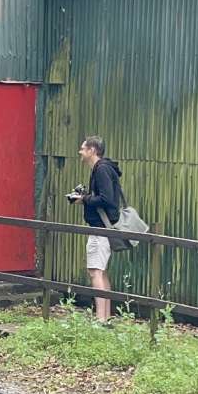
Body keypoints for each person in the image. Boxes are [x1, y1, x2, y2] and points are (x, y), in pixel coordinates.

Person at [71, 135, 122, 323]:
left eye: (83, 148)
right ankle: (105, 317)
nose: (80, 152)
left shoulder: (101, 170)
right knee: (101, 271)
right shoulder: (104, 169)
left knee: (95, 271)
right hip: (103, 227)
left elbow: (107, 199)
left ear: (92, 150)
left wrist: (84, 199)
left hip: (100, 227)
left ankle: (101, 320)